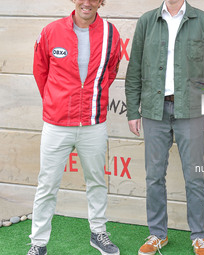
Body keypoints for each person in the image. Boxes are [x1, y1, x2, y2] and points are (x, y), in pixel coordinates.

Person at [125, 0, 204, 254]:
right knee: (154, 175)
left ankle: (199, 237)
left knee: (194, 177)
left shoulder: (202, 20)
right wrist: (133, 110)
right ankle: (157, 234)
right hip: (155, 110)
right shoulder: (148, 21)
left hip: (190, 111)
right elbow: (134, 67)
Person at [27, 0, 121, 254]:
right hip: (57, 123)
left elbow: (111, 71)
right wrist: (57, 101)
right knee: (47, 185)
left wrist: (89, 98)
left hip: (93, 122)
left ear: (101, 2)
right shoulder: (51, 31)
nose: (87, 2)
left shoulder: (111, 33)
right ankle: (38, 243)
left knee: (97, 181)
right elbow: (40, 72)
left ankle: (98, 233)